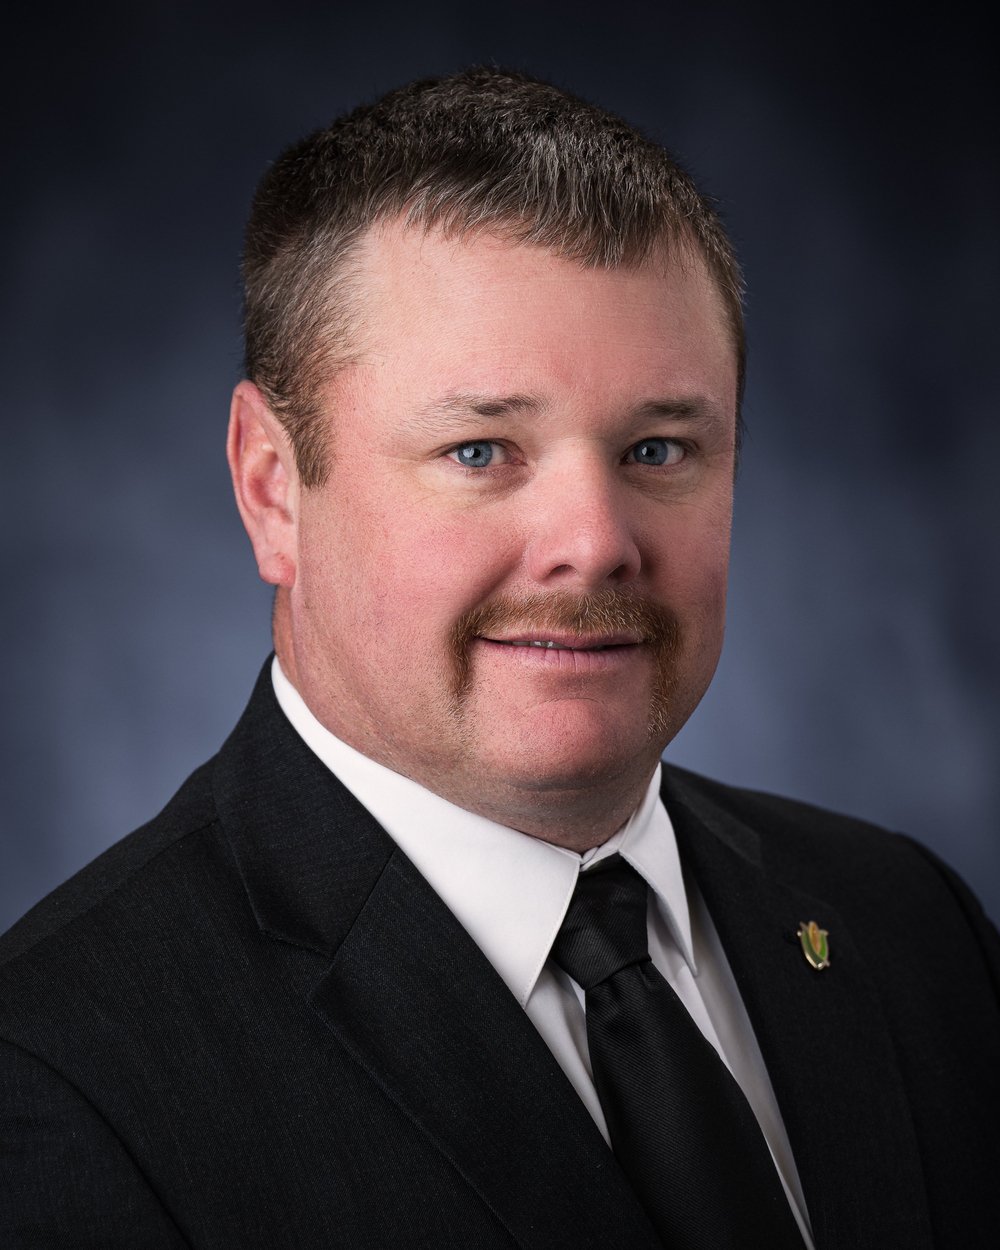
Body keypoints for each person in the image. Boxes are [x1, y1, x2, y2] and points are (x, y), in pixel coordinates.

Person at [1, 68, 997, 1250]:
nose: (595, 542)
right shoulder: (60, 1077)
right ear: (272, 488)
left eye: (657, 447)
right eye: (480, 449)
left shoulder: (912, 926)